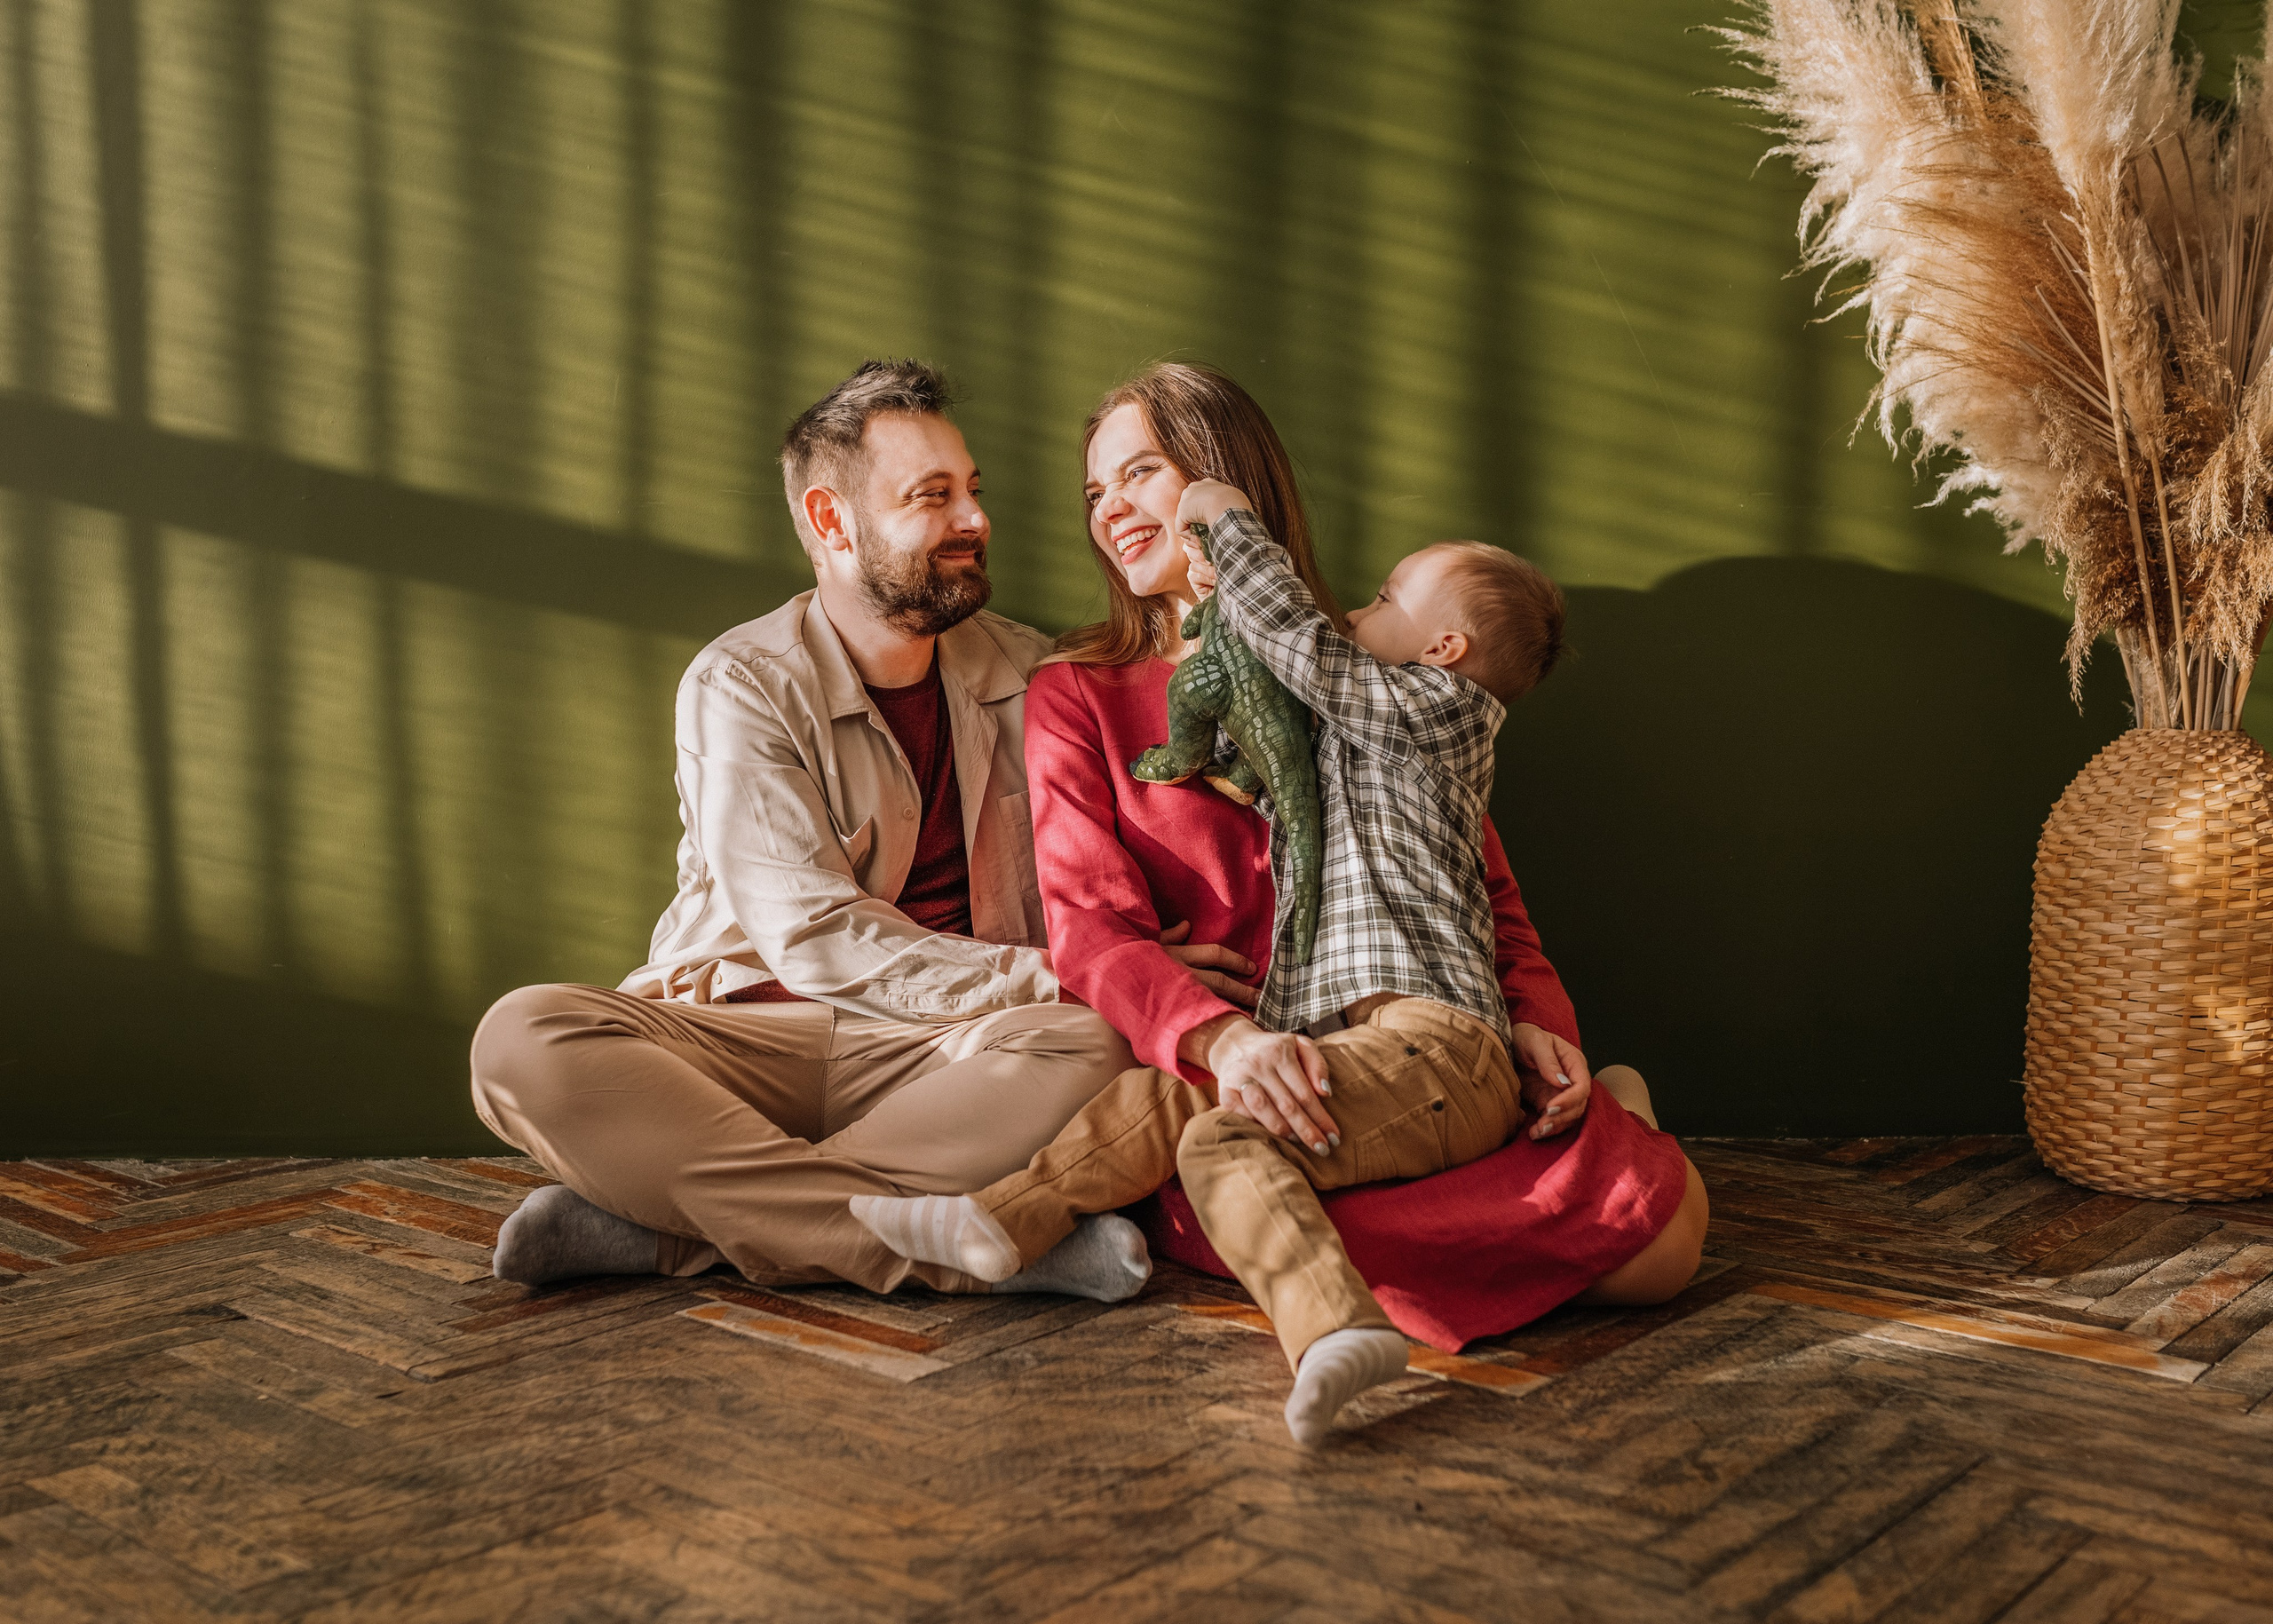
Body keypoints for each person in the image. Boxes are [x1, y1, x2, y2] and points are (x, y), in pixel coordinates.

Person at [859, 361, 1707, 1398]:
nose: (1112, 509)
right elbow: (1091, 931)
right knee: (1217, 1173)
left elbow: (1489, 898)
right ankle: (1015, 1230)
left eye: (1140, 473)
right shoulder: (1075, 693)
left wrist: (1542, 1025)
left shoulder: (1359, 675)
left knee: (1654, 1248)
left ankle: (1605, 1115)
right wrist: (1223, 1036)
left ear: (1220, 481)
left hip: (1404, 1056)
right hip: (1256, 1071)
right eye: (1095, 492)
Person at [467, 360, 1160, 1300]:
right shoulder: (739, 682)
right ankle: (989, 1243)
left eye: (973, 491)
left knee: (1103, 1043)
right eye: (933, 496)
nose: (975, 521)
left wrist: (1084, 983)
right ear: (831, 523)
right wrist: (1055, 971)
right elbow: (813, 935)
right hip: (749, 1040)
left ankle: (668, 1231)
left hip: (948, 1049)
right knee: (519, 1041)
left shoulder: (1033, 671)